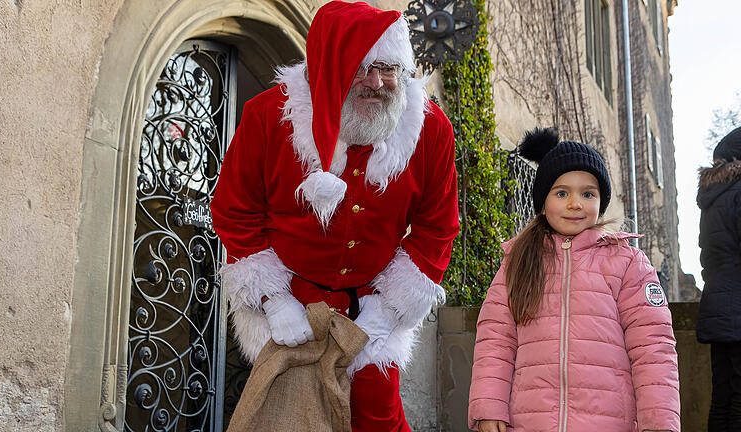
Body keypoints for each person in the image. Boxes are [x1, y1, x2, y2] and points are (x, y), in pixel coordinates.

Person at [209, 1, 460, 430]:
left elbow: (437, 226)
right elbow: (235, 210)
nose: (378, 83)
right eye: (362, 68)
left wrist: (388, 310)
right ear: (329, 67)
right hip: (291, 300)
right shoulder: (268, 117)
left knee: (377, 419)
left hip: (372, 308)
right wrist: (273, 300)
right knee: (287, 419)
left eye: (389, 68)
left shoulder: (430, 130)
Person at [467, 127, 680, 432]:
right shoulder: (518, 261)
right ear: (543, 203)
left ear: (601, 202)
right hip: (531, 420)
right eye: (562, 192)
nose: (575, 203)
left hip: (607, 422)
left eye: (588, 193)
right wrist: (489, 406)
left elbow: (653, 347)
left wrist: (659, 423)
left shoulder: (627, 263)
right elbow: (495, 339)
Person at [696, 126, 741, 431]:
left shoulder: (713, 198)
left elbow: (707, 256)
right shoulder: (738, 192)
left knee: (722, 395)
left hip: (716, 303)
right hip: (738, 306)